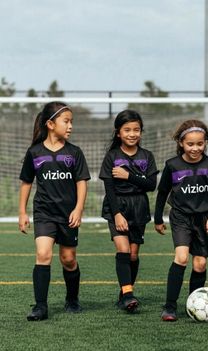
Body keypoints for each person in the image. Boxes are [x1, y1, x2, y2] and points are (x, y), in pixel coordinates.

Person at [19, 102, 90, 321]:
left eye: (71, 122)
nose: (70, 126)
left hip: (68, 214)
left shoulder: (74, 153)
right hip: (44, 213)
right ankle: (40, 306)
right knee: (43, 254)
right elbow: (26, 182)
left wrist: (78, 209)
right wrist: (22, 212)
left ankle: (72, 300)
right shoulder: (35, 152)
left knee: (68, 259)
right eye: (66, 121)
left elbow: (81, 183)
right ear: (50, 124)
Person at [154, 119, 208, 321]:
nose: (195, 148)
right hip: (181, 217)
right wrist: (158, 219)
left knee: (200, 264)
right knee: (182, 257)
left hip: (204, 218)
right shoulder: (172, 165)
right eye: (190, 144)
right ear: (181, 143)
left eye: (200, 144)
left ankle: (193, 304)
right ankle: (169, 307)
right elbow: (162, 193)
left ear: (205, 143)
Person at [99, 109, 158, 313]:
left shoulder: (147, 156)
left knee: (133, 255)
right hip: (117, 207)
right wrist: (116, 214)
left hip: (139, 207)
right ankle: (129, 295)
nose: (132, 134)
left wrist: (129, 176)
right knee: (123, 250)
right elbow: (109, 187)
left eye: (136, 129)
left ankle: (124, 294)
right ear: (118, 133)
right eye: (127, 130)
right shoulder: (112, 156)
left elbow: (151, 184)